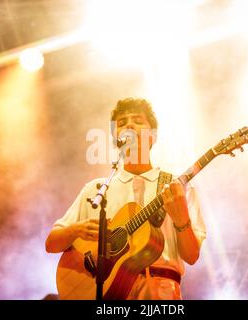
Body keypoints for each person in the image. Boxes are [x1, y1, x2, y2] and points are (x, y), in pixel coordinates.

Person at [45, 97, 206, 299]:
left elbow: (191, 256)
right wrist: (76, 229)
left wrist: (182, 220)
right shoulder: (96, 189)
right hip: (108, 294)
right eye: (121, 123)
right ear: (115, 139)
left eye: (138, 120)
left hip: (161, 293)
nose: (129, 124)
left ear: (153, 136)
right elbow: (51, 244)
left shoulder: (175, 188)